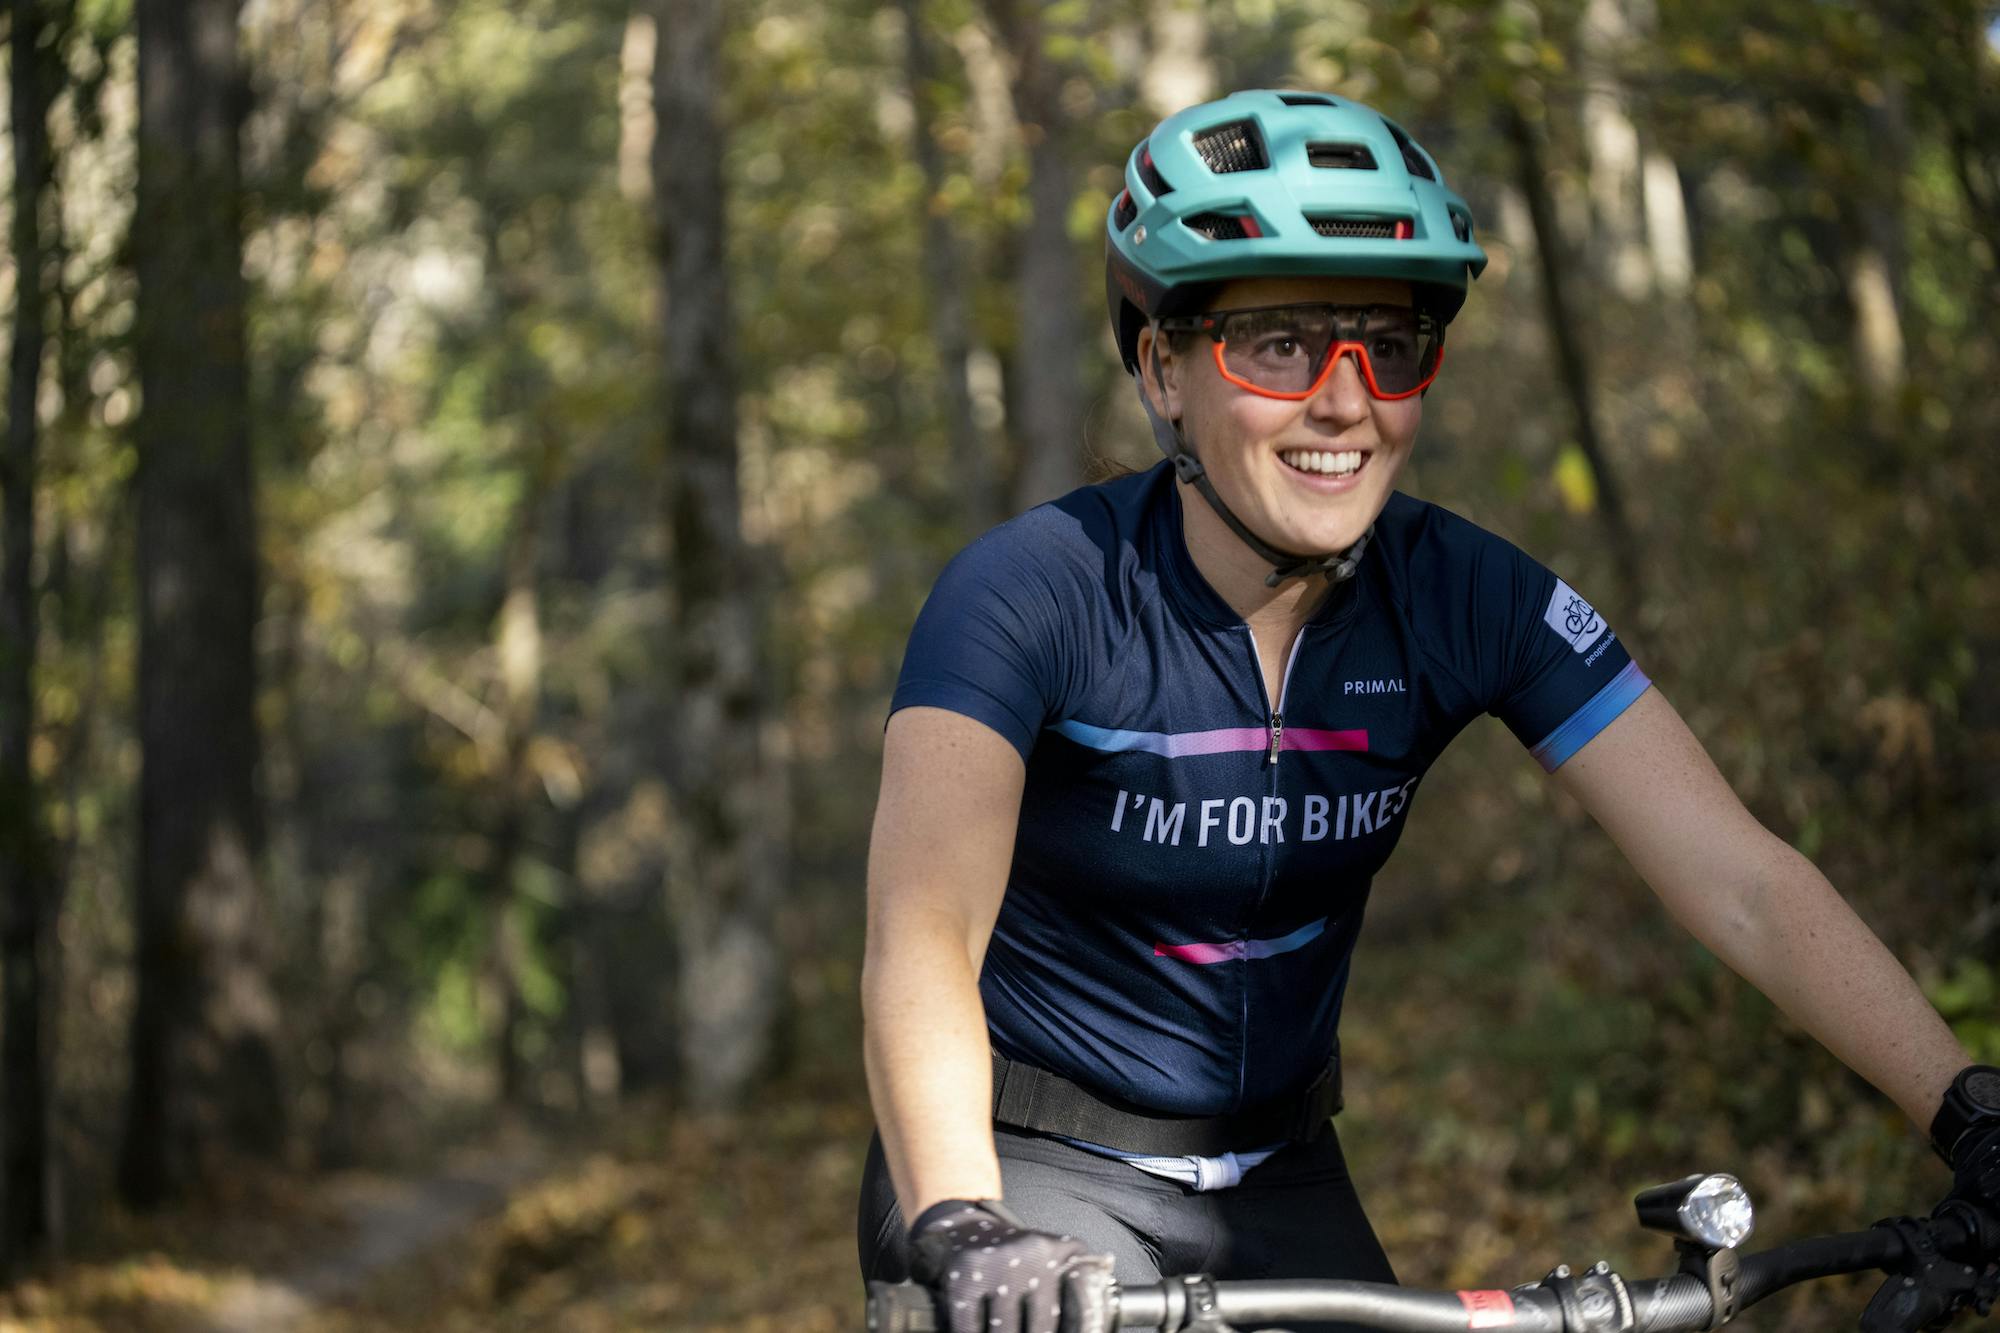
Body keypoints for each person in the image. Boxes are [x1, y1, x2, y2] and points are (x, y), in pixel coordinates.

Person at [857, 88, 2000, 1333]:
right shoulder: (1031, 593)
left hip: (1280, 1174)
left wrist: (1966, 1107)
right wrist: (962, 1216)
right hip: (1027, 1169)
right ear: (1161, 368)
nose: (1344, 401)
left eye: (1386, 346)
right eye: (1278, 344)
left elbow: (1742, 882)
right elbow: (922, 944)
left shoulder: (1469, 596)